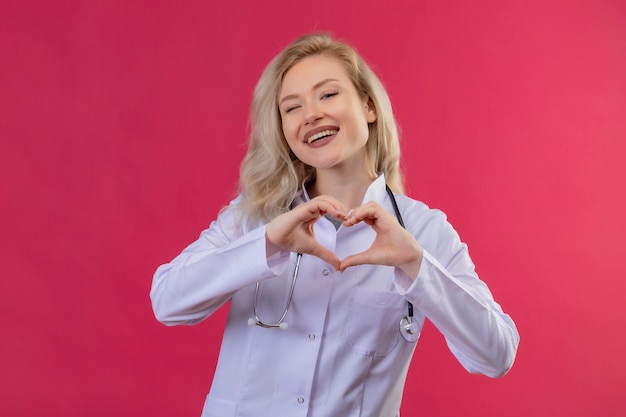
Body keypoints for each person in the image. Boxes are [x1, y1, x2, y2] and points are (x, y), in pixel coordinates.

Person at [150, 32, 519, 417]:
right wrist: (268, 243)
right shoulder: (256, 215)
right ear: (284, 131)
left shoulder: (423, 231)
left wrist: (415, 263)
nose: (310, 114)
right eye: (291, 108)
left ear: (369, 107)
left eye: (327, 95)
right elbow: (167, 302)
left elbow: (497, 355)